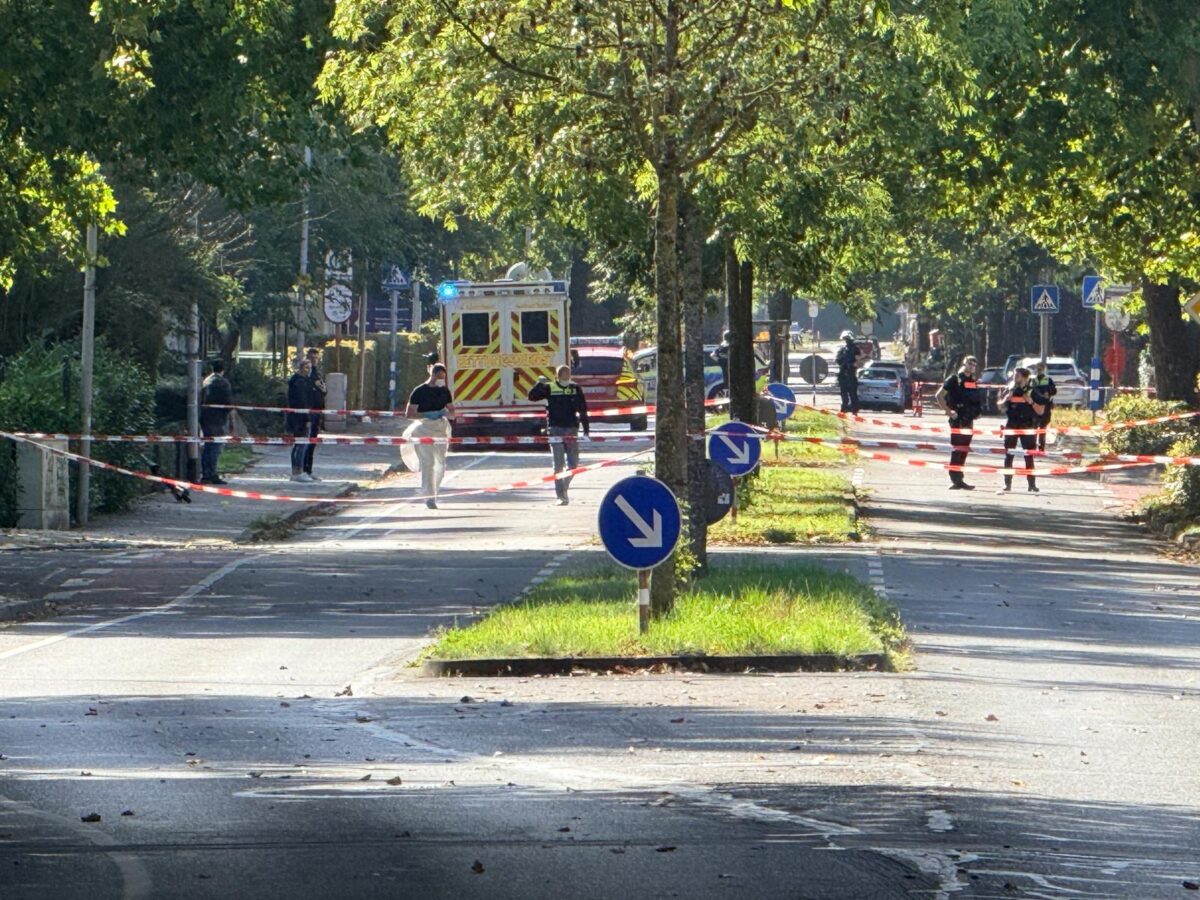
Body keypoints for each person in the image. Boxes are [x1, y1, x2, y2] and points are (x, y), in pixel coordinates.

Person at [528, 364, 590, 506]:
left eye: (568, 373)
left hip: (571, 429)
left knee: (574, 464)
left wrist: (586, 429)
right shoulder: (550, 387)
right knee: (558, 465)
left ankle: (563, 488)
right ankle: (561, 496)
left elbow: (583, 409)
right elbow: (532, 397)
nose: (566, 376)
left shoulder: (575, 388)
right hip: (555, 429)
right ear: (557, 376)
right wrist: (539, 384)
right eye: (563, 374)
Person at [405, 363, 455, 509]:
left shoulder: (444, 391)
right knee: (428, 463)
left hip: (440, 429)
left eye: (444, 378)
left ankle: (435, 492)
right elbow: (409, 414)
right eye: (440, 377)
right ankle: (429, 496)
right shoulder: (419, 391)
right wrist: (426, 414)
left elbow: (452, 411)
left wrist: (444, 413)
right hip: (423, 429)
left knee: (440, 463)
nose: (442, 380)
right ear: (433, 375)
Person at [935, 355, 983, 490]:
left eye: (974, 365)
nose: (972, 367)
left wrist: (977, 412)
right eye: (970, 363)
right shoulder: (954, 379)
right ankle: (955, 478)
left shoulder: (972, 381)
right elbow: (939, 396)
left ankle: (959, 478)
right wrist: (949, 412)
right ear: (964, 363)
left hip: (969, 419)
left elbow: (974, 399)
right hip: (958, 418)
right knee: (958, 449)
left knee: (964, 450)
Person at [997, 366, 1047, 493]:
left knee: (1029, 456)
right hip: (1012, 425)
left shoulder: (1032, 391)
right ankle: (1007, 484)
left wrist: (1031, 402)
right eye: (1014, 375)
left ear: (1025, 378)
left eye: (1017, 375)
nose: (1014, 377)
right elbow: (1000, 407)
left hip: (1027, 426)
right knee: (1009, 455)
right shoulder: (1009, 389)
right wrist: (1004, 400)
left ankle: (1032, 484)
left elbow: (1041, 411)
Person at [199, 359, 232, 485]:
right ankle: (211, 474)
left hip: (205, 417)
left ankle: (205, 473)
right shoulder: (223, 383)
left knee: (208, 446)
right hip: (217, 419)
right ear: (223, 370)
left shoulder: (206, 381)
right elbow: (228, 403)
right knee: (215, 446)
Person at [287, 359, 316, 483]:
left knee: (299, 444)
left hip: (297, 416)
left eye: (310, 368)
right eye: (306, 368)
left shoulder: (299, 380)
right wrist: (307, 418)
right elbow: (302, 402)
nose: (308, 370)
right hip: (300, 418)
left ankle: (298, 471)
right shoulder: (300, 382)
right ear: (300, 368)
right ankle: (297, 472)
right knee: (301, 445)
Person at [302, 347, 327, 481]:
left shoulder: (317, 373)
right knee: (306, 442)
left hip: (318, 412)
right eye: (312, 358)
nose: (314, 361)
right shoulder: (306, 375)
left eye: (316, 358)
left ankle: (309, 470)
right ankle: (303, 470)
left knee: (312, 443)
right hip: (309, 412)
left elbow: (323, 389)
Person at [1031, 360, 1057, 452]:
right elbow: (1029, 392)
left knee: (1042, 428)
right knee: (1034, 428)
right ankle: (1032, 446)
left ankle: (1041, 447)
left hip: (1045, 407)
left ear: (1044, 369)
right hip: (1034, 407)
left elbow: (1054, 391)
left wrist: (1048, 391)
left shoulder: (1048, 380)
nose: (1039, 370)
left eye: (1040, 368)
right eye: (1037, 368)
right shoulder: (1033, 380)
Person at [835, 330, 863, 413]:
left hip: (851, 374)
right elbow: (838, 360)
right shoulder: (842, 349)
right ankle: (844, 408)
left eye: (847, 339)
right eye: (845, 339)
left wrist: (852, 365)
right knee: (844, 394)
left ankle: (854, 409)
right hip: (843, 374)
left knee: (853, 394)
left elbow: (858, 362)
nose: (846, 341)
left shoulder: (855, 349)